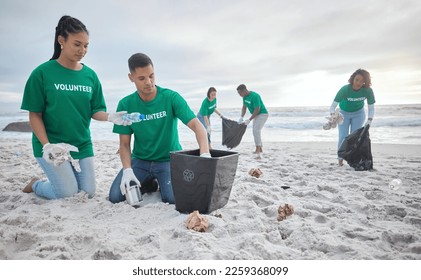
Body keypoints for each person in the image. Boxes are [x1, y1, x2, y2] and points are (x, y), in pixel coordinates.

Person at [20, 15, 128, 199]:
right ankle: (36, 184)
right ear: (61, 40)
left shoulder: (90, 76)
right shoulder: (42, 73)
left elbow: (95, 110)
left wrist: (110, 117)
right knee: (66, 193)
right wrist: (47, 146)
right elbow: (35, 114)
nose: (82, 50)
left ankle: (62, 176)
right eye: (77, 44)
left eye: (86, 46)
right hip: (51, 143)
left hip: (81, 143)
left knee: (88, 192)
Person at [108, 53, 210, 204]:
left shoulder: (171, 97)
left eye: (151, 76)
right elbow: (124, 144)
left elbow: (197, 126)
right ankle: (150, 183)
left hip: (168, 160)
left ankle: (161, 182)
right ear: (131, 78)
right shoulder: (125, 105)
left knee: (171, 198)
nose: (148, 82)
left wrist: (205, 153)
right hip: (141, 160)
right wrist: (127, 170)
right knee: (116, 196)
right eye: (141, 78)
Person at [328, 68, 376, 166]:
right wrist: (333, 116)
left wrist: (370, 120)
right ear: (353, 79)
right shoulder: (345, 89)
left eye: (362, 81)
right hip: (343, 114)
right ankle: (340, 160)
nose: (359, 83)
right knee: (343, 136)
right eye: (357, 79)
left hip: (358, 114)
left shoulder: (367, 91)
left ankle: (352, 160)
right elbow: (332, 106)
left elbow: (371, 108)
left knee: (355, 138)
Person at [236, 84, 269, 155]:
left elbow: (257, 109)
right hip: (255, 115)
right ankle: (260, 149)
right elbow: (244, 107)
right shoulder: (244, 97)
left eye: (240, 93)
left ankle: (257, 148)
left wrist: (249, 120)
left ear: (244, 90)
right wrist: (241, 117)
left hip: (262, 114)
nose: (239, 95)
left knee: (256, 130)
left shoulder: (255, 96)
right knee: (255, 131)